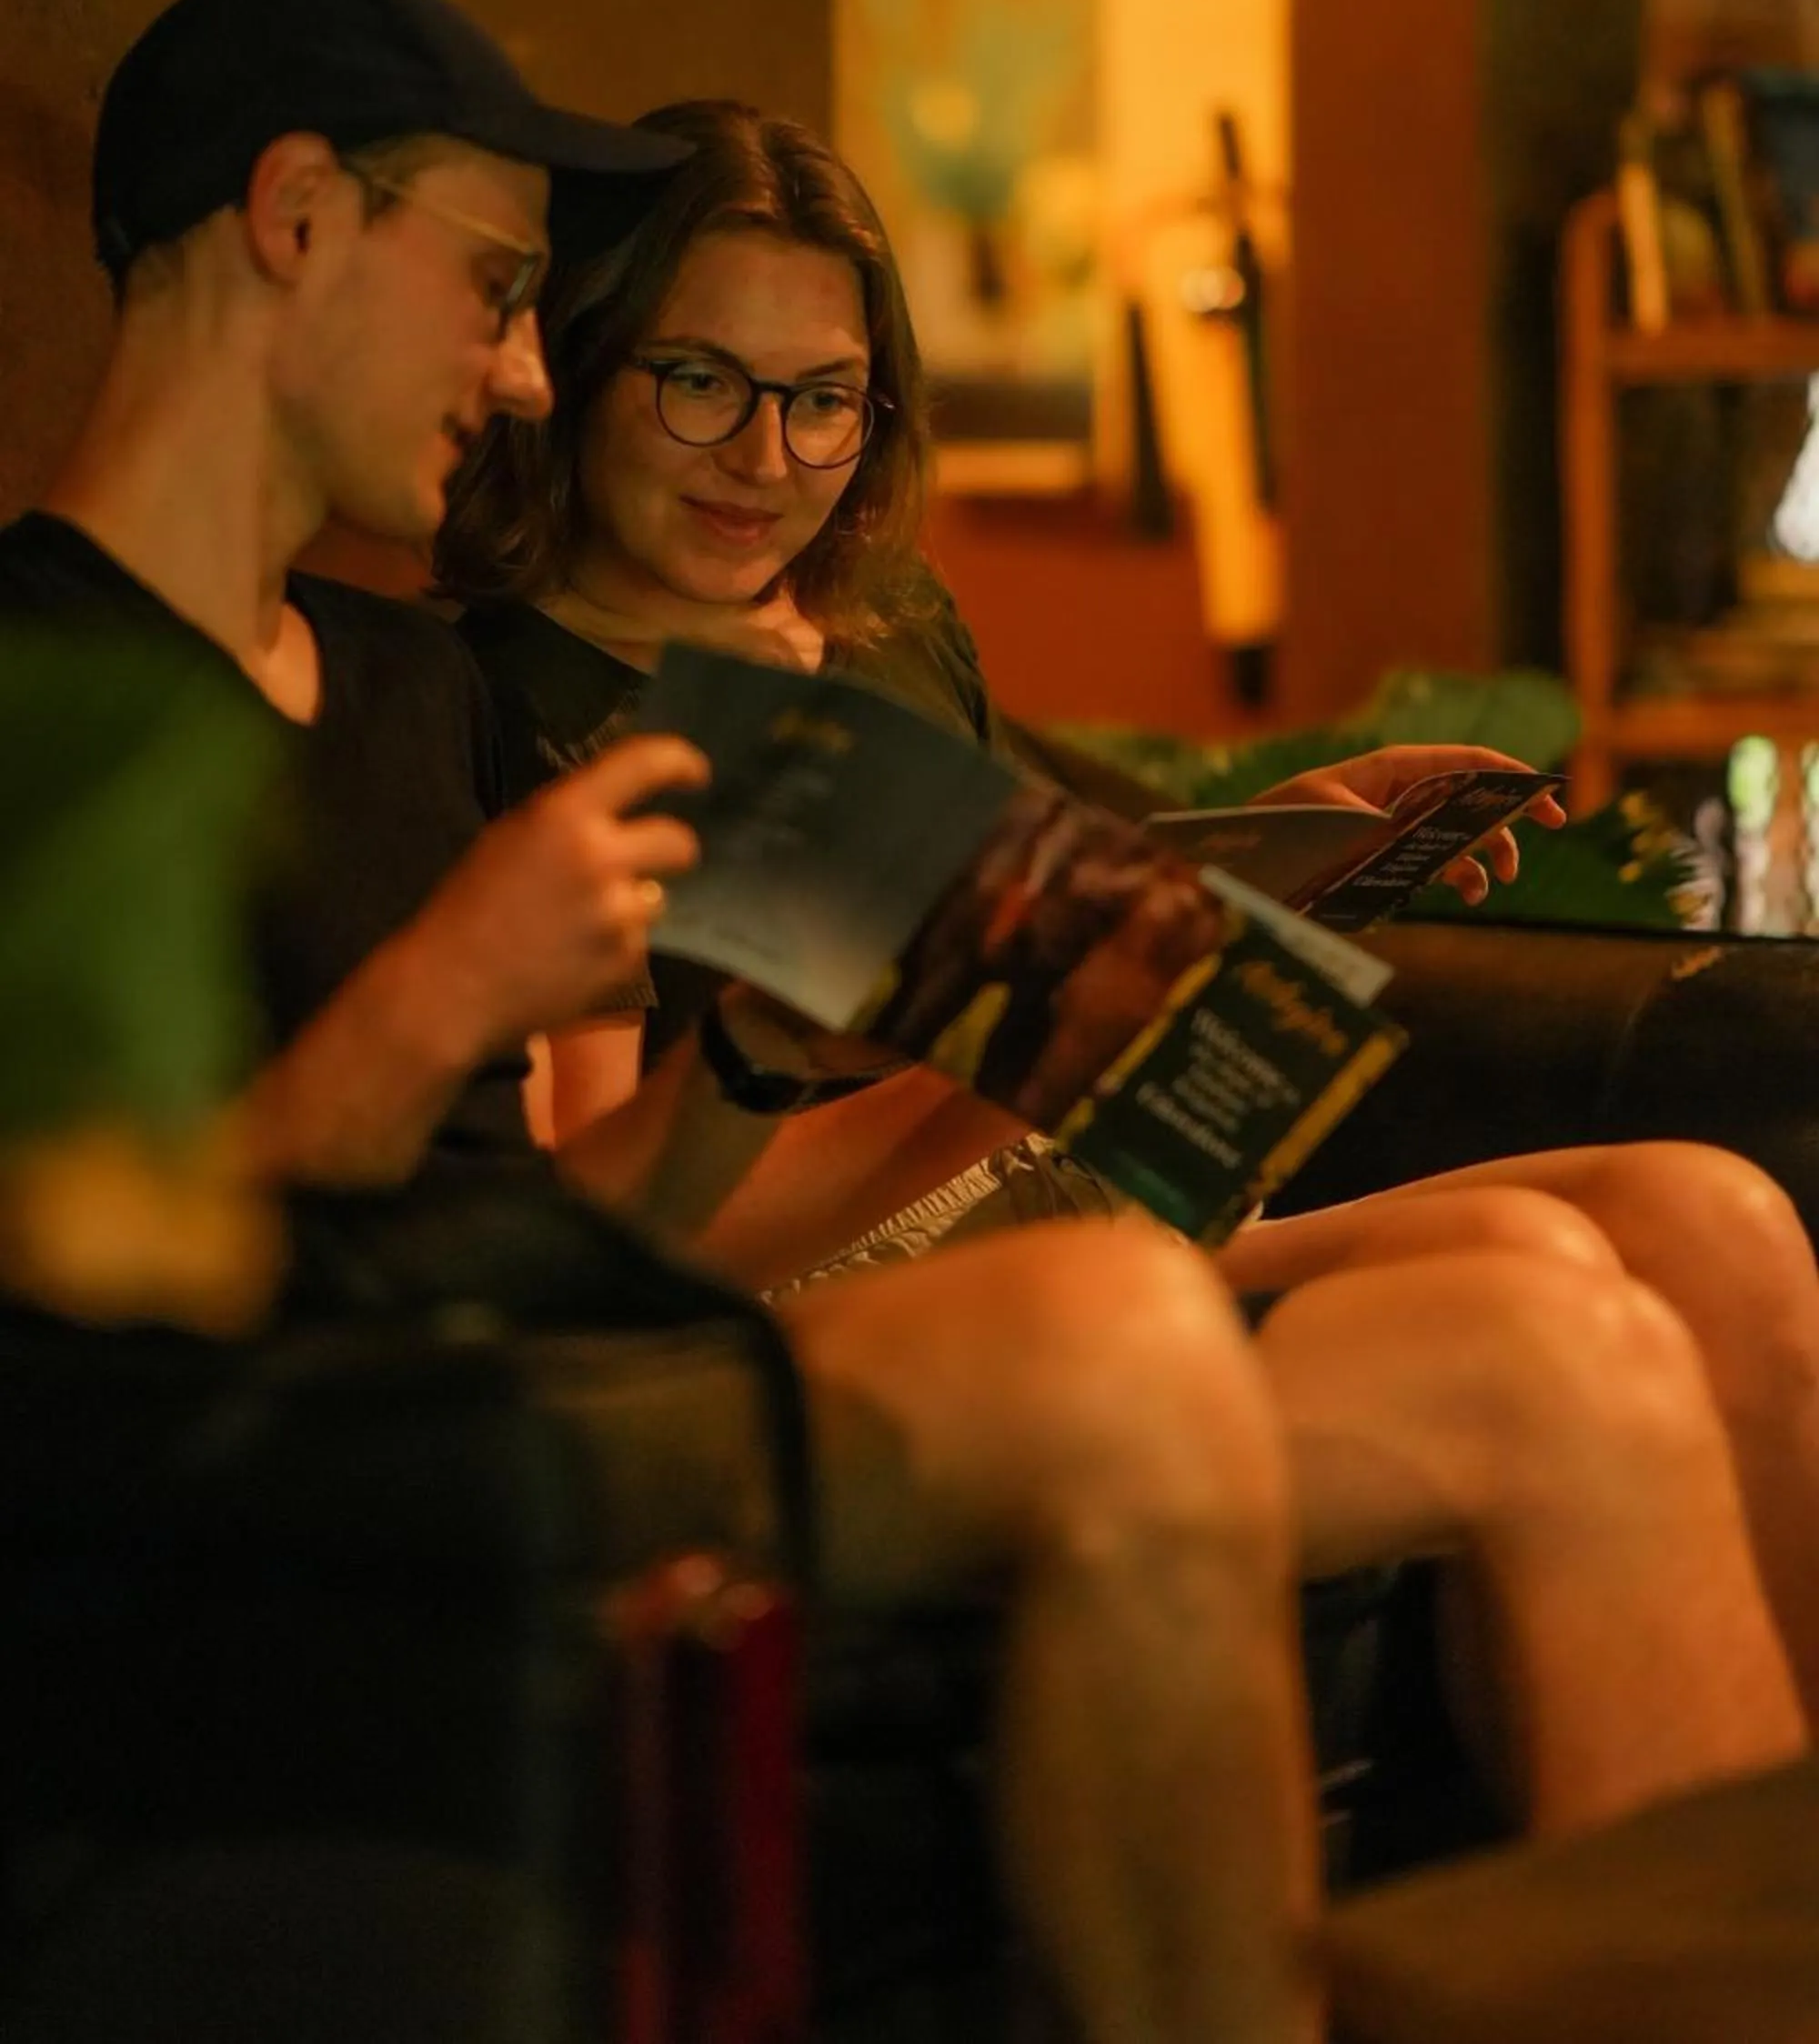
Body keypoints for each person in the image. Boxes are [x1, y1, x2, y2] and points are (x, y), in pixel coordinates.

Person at [2, 0, 1800, 2044]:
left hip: (608, 1352)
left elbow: (570, 1203)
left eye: (818, 397)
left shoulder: (395, 686)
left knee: (1649, 1240)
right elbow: (95, 1300)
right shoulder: (89, 695)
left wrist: (784, 1047)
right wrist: (457, 999)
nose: (511, 370)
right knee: (1353, 1324)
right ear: (298, 217)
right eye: (501, 291)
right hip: (443, 1432)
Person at [438, 95, 1819, 1726]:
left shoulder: (879, 633)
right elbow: (599, 1235)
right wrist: (1036, 1036)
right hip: (867, 1303)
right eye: (698, 385)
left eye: (824, 402)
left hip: (1092, 1199)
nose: (764, 458)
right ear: (578, 369)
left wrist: (1271, 850)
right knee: (1537, 1281)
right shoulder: (516, 709)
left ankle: (1733, 1906)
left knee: (1707, 1220)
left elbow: (1054, 871)